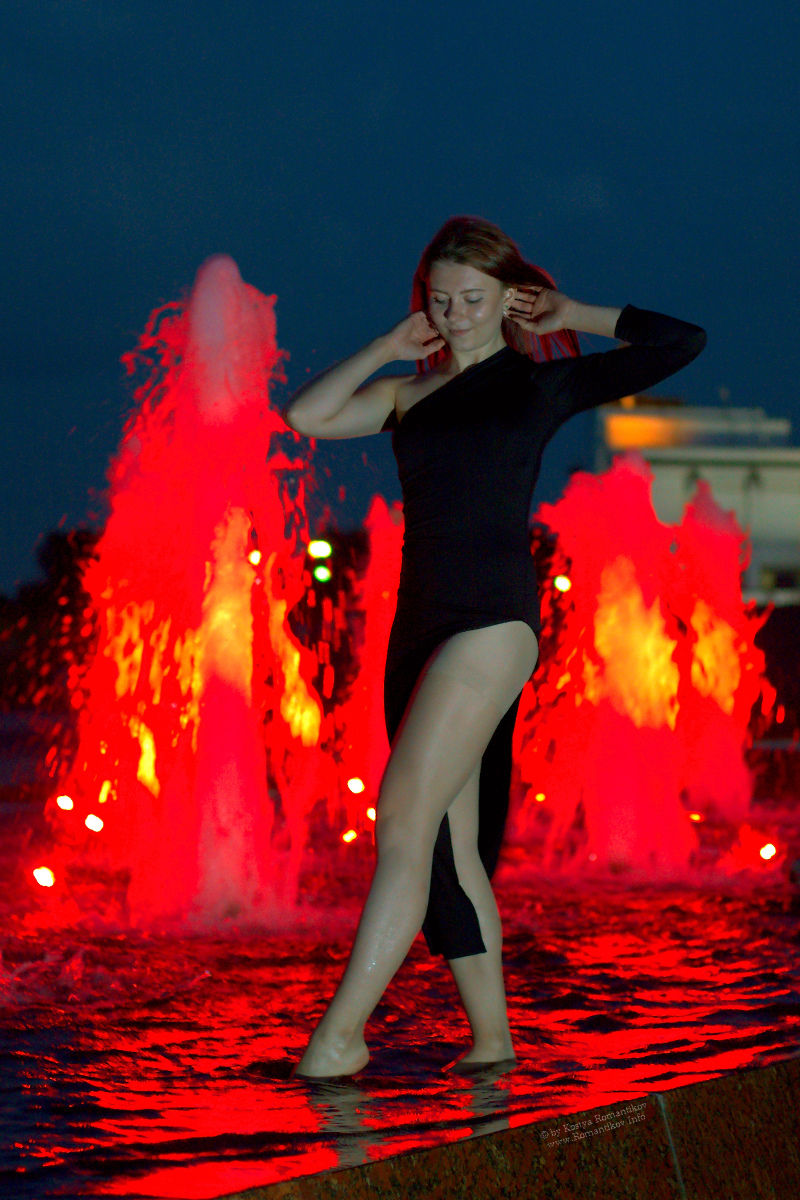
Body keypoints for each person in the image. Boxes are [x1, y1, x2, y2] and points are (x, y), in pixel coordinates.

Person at [284, 215, 707, 1078]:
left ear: (506, 297)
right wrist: (386, 345)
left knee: (400, 821)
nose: (454, 313)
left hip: (494, 626)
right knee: (445, 845)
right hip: (420, 631)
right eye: (439, 299)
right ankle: (494, 1042)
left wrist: (572, 313)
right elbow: (307, 414)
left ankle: (340, 1038)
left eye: (471, 298)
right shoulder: (411, 392)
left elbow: (681, 341)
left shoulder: (536, 385)